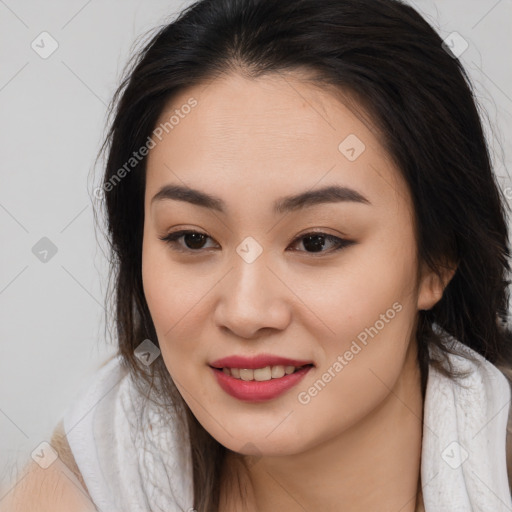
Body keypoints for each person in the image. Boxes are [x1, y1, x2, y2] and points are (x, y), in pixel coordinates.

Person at [3, 0, 512, 510]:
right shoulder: (93, 472)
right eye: (193, 239)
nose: (245, 313)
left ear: (438, 258)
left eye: (316, 241)